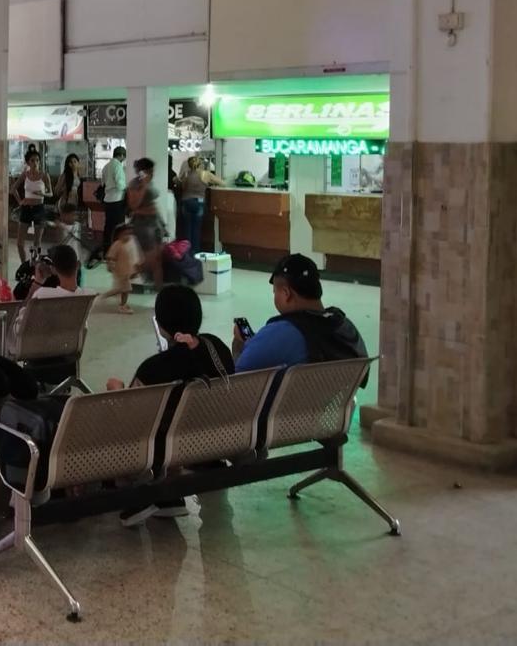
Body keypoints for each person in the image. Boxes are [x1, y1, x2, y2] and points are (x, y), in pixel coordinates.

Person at [106, 285, 235, 524]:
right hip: (219, 438)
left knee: (117, 405)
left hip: (173, 446)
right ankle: (169, 497)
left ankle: (145, 491)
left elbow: (130, 416)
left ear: (162, 326)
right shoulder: (217, 347)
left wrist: (116, 389)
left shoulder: (155, 367)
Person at [233, 254, 368, 371]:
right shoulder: (344, 326)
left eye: (275, 292)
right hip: (333, 399)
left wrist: (239, 346)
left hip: (287, 401)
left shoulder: (280, 333)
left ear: (286, 294)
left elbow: (237, 379)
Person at [127, 157, 163, 289]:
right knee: (150, 259)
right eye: (150, 171)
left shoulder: (150, 182)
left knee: (157, 258)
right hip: (143, 224)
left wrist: (162, 223)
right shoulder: (135, 184)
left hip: (154, 222)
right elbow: (134, 205)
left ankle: (159, 288)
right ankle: (126, 280)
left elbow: (152, 202)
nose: (153, 174)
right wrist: (144, 186)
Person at [91, 147, 128, 266]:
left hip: (108, 200)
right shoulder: (118, 166)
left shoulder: (106, 166)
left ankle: (107, 252)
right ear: (121, 155)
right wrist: (126, 187)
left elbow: (103, 183)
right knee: (118, 228)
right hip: (117, 200)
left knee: (108, 227)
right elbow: (120, 184)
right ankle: (117, 254)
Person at [13, 149, 51, 264]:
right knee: (20, 242)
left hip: (39, 208)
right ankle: (24, 263)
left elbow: (51, 193)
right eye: (32, 160)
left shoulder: (44, 175)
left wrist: (43, 194)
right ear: (28, 162)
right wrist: (20, 201)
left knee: (37, 242)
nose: (35, 163)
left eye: (37, 160)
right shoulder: (25, 174)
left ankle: (34, 264)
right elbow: (13, 189)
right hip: (26, 208)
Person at [178, 155, 221, 253]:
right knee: (196, 229)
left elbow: (182, 186)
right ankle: (196, 252)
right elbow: (222, 183)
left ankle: (187, 253)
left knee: (187, 230)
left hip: (186, 202)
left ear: (188, 165)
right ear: (200, 164)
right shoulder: (206, 174)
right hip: (199, 203)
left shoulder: (185, 174)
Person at [26, 245, 95, 300]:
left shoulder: (42, 295)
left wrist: (37, 282)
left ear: (53, 269)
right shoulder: (90, 296)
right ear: (78, 265)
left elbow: (22, 315)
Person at [99, 223, 140, 314]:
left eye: (130, 234)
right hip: (120, 271)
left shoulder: (131, 242)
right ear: (119, 235)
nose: (128, 236)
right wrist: (110, 265)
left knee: (122, 288)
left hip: (127, 270)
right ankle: (121, 305)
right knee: (125, 289)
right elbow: (111, 257)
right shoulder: (117, 244)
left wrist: (136, 268)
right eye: (125, 234)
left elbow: (135, 255)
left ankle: (110, 298)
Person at [51, 154, 83, 248]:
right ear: (68, 164)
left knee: (72, 225)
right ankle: (62, 247)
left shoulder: (78, 175)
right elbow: (56, 190)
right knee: (64, 226)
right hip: (65, 202)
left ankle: (71, 247)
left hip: (74, 201)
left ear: (78, 163)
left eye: (74, 161)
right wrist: (64, 190)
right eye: (70, 162)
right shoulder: (65, 175)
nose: (73, 164)